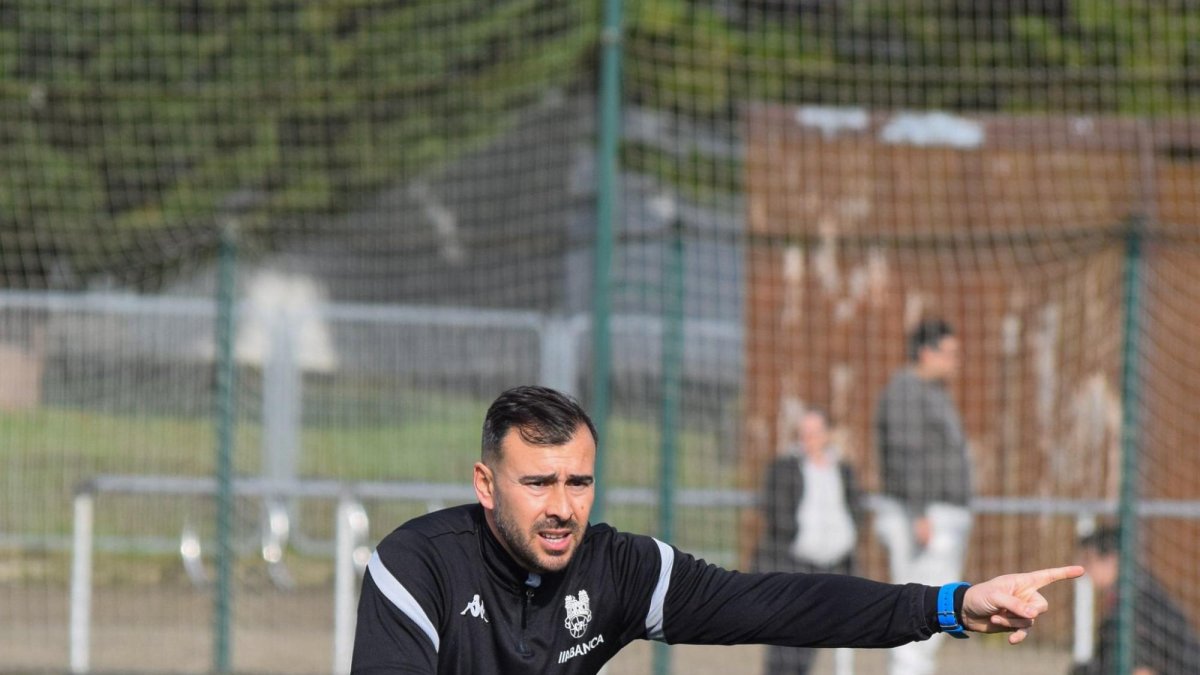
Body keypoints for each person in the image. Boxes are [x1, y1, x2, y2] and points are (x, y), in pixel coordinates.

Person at [353, 385, 1081, 675]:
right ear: (486, 484)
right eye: (537, 482)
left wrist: (949, 605)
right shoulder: (416, 566)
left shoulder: (619, 570)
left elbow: (783, 603)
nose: (562, 506)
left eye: (578, 481)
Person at [873, 318, 973, 675]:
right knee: (922, 609)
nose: (954, 360)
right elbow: (905, 455)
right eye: (948, 352)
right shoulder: (905, 390)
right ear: (925, 352)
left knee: (936, 614)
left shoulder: (933, 392)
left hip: (937, 513)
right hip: (921, 516)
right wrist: (919, 513)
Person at [752, 408, 864, 675]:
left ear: (826, 435)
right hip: (796, 564)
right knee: (787, 642)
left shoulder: (843, 470)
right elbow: (775, 512)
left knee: (828, 639)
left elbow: (855, 508)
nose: (808, 439)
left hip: (835, 565)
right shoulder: (784, 468)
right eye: (804, 434)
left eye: (814, 433)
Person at [1071, 525, 1200, 675]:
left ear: (1112, 559)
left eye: (1088, 560)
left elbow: (1143, 668)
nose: (1084, 568)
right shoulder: (1128, 593)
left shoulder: (1141, 601)